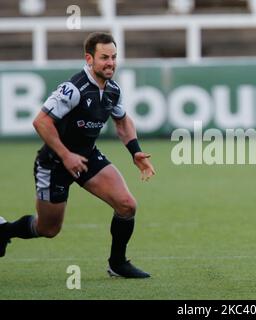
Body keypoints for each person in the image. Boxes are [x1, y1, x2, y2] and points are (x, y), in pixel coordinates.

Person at [0, 32, 155, 278]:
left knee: (127, 205)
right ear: (89, 59)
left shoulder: (113, 90)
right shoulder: (73, 89)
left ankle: (117, 264)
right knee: (48, 228)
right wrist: (65, 155)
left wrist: (135, 152)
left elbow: (123, 122)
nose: (111, 63)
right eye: (104, 57)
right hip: (54, 163)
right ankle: (4, 231)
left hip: (87, 158)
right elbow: (41, 122)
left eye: (114, 57)